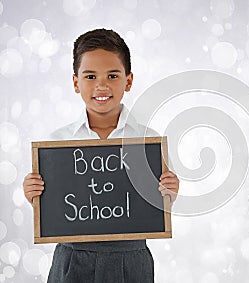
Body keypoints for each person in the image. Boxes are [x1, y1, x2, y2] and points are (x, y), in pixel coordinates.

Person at [23, 28, 179, 283]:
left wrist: (170, 192)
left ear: (128, 81)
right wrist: (34, 194)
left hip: (131, 258)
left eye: (112, 75)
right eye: (91, 76)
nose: (102, 85)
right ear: (76, 83)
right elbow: (51, 206)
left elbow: (157, 203)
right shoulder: (56, 143)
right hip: (72, 258)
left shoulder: (147, 141)